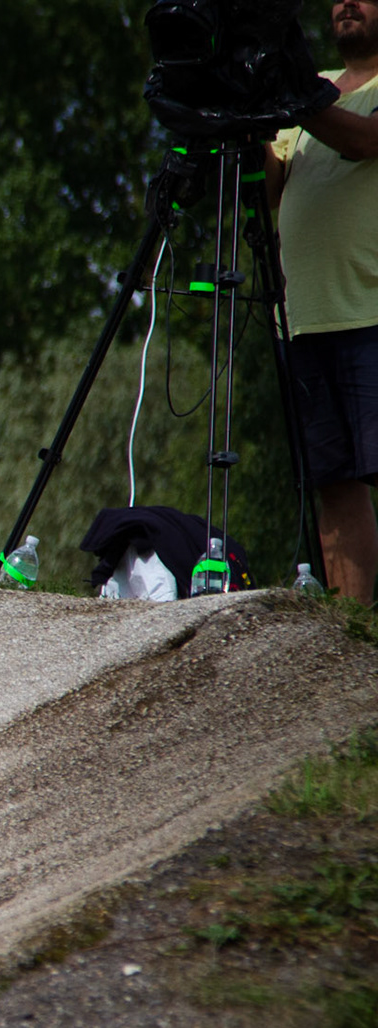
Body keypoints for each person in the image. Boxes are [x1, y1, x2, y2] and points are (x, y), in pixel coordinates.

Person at [265, 0, 378, 604]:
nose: (346, 4)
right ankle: (350, 630)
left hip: (370, 310)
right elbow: (270, 186)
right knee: (333, 483)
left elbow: (364, 141)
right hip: (304, 317)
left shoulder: (312, 97)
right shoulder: (315, 90)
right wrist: (246, 121)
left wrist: (296, 95)